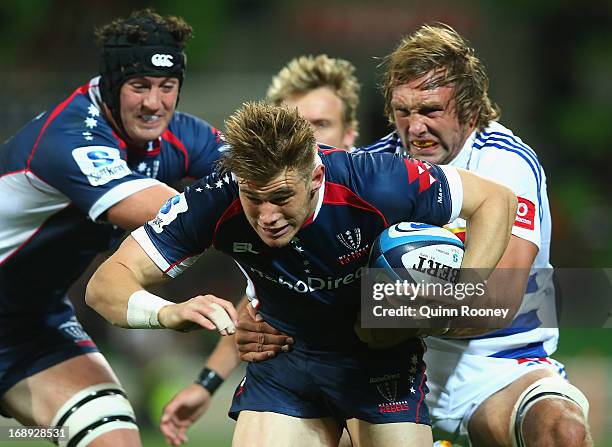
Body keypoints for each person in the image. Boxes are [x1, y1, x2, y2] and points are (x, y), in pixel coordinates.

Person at [236, 24, 593, 447]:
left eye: (430, 110)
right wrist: (258, 317)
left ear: (471, 110)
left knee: (561, 431)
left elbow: (497, 302)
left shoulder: (505, 165)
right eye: (403, 111)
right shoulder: (374, 168)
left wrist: (380, 313)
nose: (415, 127)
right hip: (388, 365)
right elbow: (300, 263)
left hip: (497, 365)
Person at [86, 101, 517, 446]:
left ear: (314, 177)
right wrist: (169, 313)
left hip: (379, 362)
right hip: (285, 364)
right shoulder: (213, 200)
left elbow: (495, 200)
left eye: (281, 196)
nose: (267, 216)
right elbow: (105, 285)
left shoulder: (375, 183)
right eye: (254, 197)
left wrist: (456, 295)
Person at [0, 9, 230, 446]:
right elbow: (171, 213)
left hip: (31, 328)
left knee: (117, 439)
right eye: (139, 86)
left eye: (167, 87)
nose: (153, 103)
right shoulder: (69, 138)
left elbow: (257, 171)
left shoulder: (179, 136)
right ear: (109, 85)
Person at [158, 53, 361, 446]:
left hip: (424, 371)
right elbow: (255, 303)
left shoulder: (386, 195)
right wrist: (206, 383)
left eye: (321, 125)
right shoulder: (272, 213)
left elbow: (477, 294)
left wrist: (390, 319)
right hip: (310, 382)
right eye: (297, 129)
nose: (308, 142)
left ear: (350, 133)